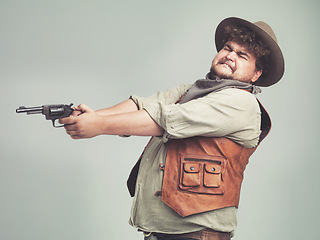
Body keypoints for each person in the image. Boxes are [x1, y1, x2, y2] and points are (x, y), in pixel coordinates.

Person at [59, 17, 284, 240]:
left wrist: (98, 125)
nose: (230, 56)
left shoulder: (241, 102)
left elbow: (166, 119)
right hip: (162, 233)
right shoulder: (192, 91)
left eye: (242, 55)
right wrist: (91, 115)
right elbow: (143, 104)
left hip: (197, 235)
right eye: (228, 48)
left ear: (256, 74)